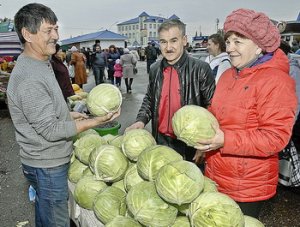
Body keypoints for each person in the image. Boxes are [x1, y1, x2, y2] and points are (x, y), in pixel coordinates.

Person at [6, 3, 120, 227]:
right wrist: (94, 121)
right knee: (55, 222)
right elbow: (50, 130)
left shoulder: (40, 62)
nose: (56, 36)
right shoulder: (29, 76)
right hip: (47, 165)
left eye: (56, 29)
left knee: (46, 216)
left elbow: (42, 113)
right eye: (49, 31)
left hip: (46, 162)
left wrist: (67, 114)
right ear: (27, 34)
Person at [194, 8, 297, 218]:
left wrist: (225, 140)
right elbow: (216, 113)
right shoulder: (228, 76)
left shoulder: (276, 81)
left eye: (238, 42)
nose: (230, 48)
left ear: (259, 46)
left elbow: (276, 138)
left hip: (247, 185)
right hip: (216, 174)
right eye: (228, 41)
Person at [126, 19, 215, 161]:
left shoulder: (200, 69)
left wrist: (205, 143)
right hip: (160, 140)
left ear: (184, 40)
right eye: (163, 42)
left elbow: (212, 107)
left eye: (174, 40)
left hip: (189, 144)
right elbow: (150, 99)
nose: (168, 47)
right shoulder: (155, 69)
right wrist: (141, 120)